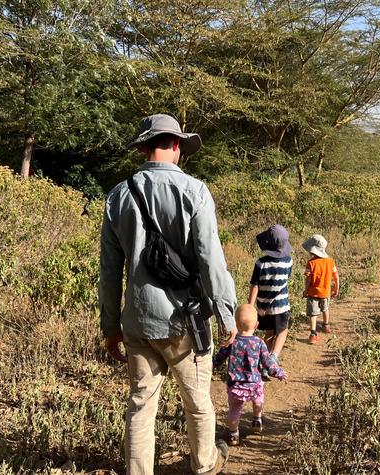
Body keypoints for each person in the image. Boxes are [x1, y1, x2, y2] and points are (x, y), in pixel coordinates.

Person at [99, 114, 237, 475]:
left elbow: (110, 272)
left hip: (138, 321)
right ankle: (205, 464)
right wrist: (226, 313)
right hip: (184, 321)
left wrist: (110, 326)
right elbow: (211, 259)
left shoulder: (117, 195)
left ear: (144, 147)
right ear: (176, 145)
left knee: (140, 405)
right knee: (197, 403)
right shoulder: (195, 191)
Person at [213, 304, 287, 446]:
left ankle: (234, 434)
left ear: (235, 324)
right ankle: (257, 419)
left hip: (235, 385)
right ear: (257, 325)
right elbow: (267, 363)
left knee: (234, 411)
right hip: (254, 384)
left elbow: (218, 359)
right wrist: (278, 372)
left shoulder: (231, 342)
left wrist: (208, 365)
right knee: (258, 400)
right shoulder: (259, 343)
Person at [247, 225, 292, 378]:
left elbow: (255, 286)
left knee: (269, 332)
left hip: (262, 309)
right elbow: (286, 279)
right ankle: (273, 358)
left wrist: (250, 307)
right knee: (282, 331)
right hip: (281, 307)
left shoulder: (260, 263)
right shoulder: (288, 262)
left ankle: (265, 365)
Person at [302, 234, 339, 344]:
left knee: (313, 314)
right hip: (326, 292)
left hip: (313, 292)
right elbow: (336, 277)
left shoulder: (311, 263)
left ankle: (313, 334)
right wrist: (336, 288)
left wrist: (306, 290)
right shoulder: (330, 261)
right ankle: (326, 325)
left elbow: (308, 279)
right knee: (325, 308)